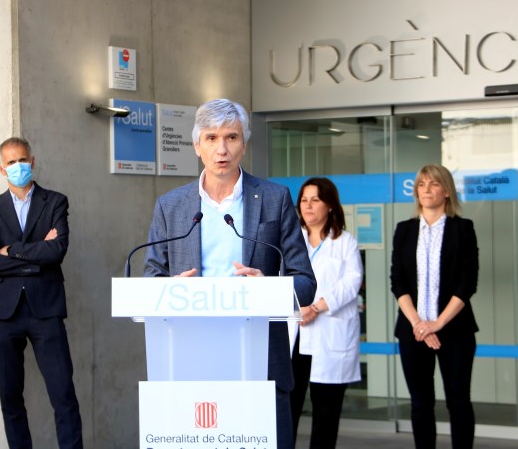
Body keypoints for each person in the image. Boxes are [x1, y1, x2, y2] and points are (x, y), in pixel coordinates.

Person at [143, 98, 317, 448]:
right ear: (197, 145)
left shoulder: (274, 198)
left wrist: (268, 287)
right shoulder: (171, 206)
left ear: (244, 143)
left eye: (231, 137)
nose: (221, 148)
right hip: (192, 356)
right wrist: (170, 289)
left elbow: (305, 282)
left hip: (261, 360)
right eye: (211, 138)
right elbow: (152, 279)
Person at [0, 137, 83, 449]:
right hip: (2, 314)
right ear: (1, 168)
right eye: (11, 162)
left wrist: (10, 251)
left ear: (33, 162)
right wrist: (36, 254)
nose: (18, 166)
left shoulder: (55, 202)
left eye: (22, 160)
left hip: (46, 310)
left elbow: (57, 251)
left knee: (64, 395)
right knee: (10, 400)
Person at [390, 164, 479, 449]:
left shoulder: (463, 229)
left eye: (433, 184)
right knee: (420, 404)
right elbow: (398, 282)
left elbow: (468, 283)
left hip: (454, 333)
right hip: (412, 332)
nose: (426, 189)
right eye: (421, 185)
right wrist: (419, 324)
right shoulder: (404, 231)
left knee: (458, 401)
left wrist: (437, 324)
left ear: (447, 192)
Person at [289, 177, 363, 448]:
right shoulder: (291, 241)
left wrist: (316, 306)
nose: (307, 206)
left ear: (330, 205)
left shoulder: (345, 242)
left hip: (328, 333)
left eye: (315, 200)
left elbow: (351, 282)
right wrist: (298, 308)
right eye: (304, 200)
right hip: (296, 334)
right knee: (288, 408)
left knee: (326, 413)